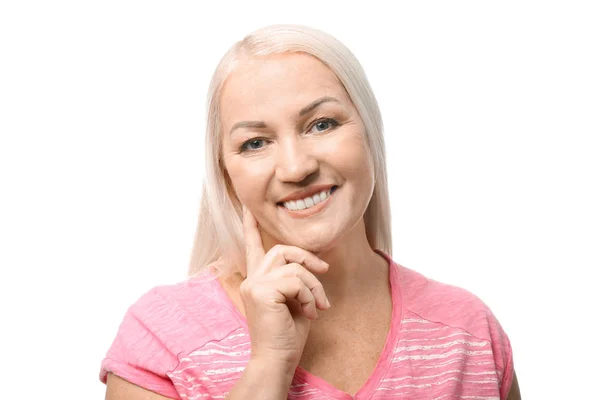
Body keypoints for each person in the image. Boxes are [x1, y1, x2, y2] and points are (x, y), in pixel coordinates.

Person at [100, 24, 521, 400]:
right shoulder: (162, 338)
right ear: (227, 175)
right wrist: (268, 367)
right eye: (255, 143)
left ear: (370, 133)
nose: (297, 167)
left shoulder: (469, 333)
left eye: (322, 124)